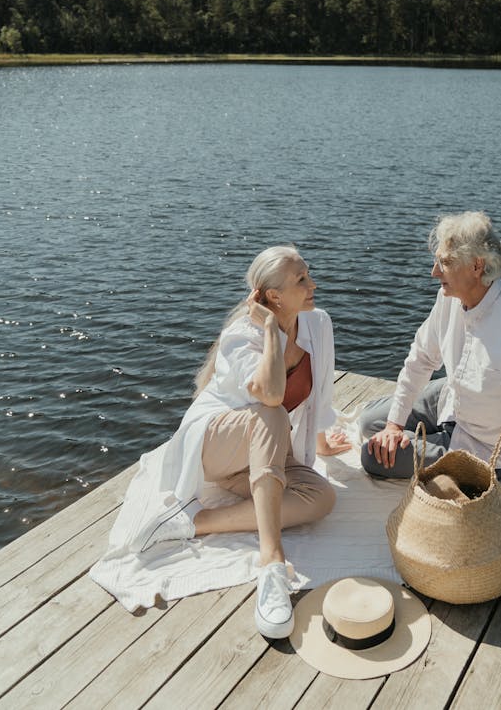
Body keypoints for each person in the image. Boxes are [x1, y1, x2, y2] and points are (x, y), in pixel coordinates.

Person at [128, 245, 350, 639]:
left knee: (322, 498)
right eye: (301, 279)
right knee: (272, 412)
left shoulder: (317, 323)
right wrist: (270, 332)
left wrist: (321, 440)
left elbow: (321, 394)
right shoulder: (241, 336)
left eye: (308, 274)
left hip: (261, 454)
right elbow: (271, 396)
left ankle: (195, 522)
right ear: (274, 296)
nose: (313, 284)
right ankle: (272, 564)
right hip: (214, 446)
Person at [360, 211, 501, 593]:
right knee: (372, 423)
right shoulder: (450, 295)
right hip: (450, 399)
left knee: (371, 456)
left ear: (477, 266)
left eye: (445, 263)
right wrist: (396, 425)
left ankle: (461, 471)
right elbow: (420, 359)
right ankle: (410, 437)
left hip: (485, 443)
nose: (435, 272)